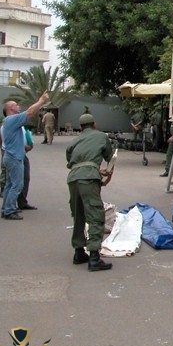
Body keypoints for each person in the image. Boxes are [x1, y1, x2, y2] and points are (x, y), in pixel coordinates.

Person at [66, 113, 114, 271]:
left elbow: (72, 161)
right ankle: (94, 257)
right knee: (95, 215)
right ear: (94, 124)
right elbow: (109, 156)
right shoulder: (101, 136)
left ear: (80, 127)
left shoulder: (74, 140)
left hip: (73, 178)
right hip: (89, 179)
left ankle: (78, 252)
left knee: (78, 215)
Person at [0, 92, 48, 220]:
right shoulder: (11, 119)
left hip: (11, 156)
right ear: (10, 108)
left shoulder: (7, 121)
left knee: (10, 184)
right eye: (16, 105)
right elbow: (30, 112)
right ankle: (9, 210)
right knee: (17, 185)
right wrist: (41, 101)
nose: (18, 106)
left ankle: (6, 209)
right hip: (14, 157)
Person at [17, 128, 36, 210]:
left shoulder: (20, 127)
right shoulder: (9, 125)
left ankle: (22, 202)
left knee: (25, 179)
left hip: (22, 154)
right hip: (15, 155)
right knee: (14, 182)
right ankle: (9, 207)